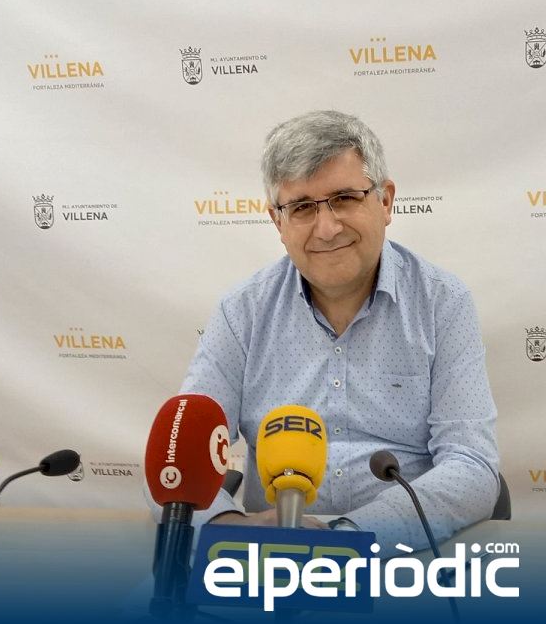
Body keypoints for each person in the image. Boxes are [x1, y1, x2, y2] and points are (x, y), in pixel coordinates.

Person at [179, 110, 499, 550]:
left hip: (400, 553)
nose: (327, 229)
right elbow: (177, 461)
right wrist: (226, 523)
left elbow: (471, 464)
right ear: (277, 222)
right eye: (301, 208)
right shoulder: (241, 313)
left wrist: (348, 536)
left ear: (385, 201)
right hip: (272, 557)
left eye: (345, 198)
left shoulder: (442, 302)